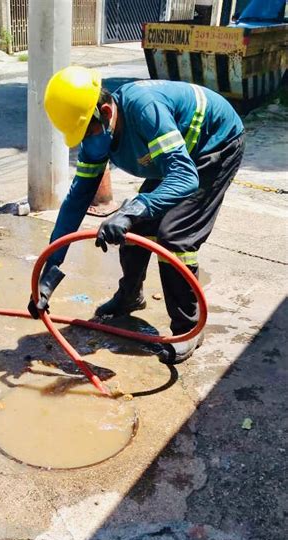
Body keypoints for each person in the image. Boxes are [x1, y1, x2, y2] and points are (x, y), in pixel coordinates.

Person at [28, 66, 245, 364]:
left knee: (175, 237)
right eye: (80, 136)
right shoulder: (95, 137)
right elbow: (77, 199)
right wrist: (49, 272)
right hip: (174, 159)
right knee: (131, 225)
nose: (87, 141)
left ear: (106, 111)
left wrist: (133, 209)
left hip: (213, 146)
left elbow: (184, 178)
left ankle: (189, 329)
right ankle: (130, 296)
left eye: (88, 131)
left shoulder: (144, 110)